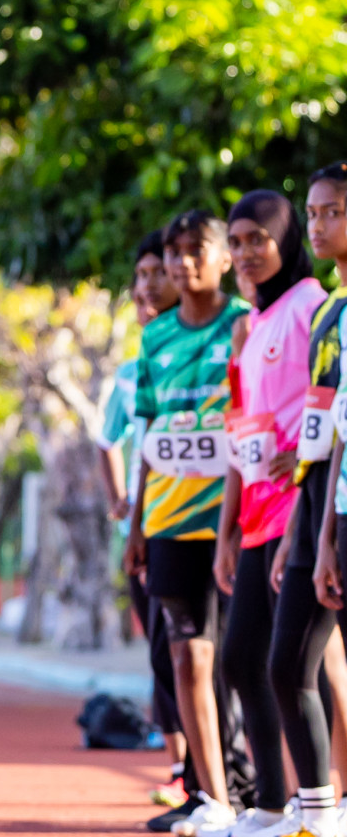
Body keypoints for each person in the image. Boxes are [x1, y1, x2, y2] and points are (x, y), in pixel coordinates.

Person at [126, 209, 252, 836]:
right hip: (169, 521)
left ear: (224, 255)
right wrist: (136, 527)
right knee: (185, 659)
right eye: (172, 253)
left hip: (237, 519)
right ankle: (214, 797)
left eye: (194, 250)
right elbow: (146, 434)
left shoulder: (245, 326)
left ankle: (262, 792)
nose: (181, 263)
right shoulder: (155, 339)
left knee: (241, 660)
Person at [212, 192, 326, 836]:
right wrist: (227, 530)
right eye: (237, 241)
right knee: (240, 660)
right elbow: (241, 432)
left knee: (298, 664)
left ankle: (322, 804)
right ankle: (271, 806)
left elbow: (325, 405)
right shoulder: (250, 326)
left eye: (259, 238)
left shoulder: (310, 304)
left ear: (287, 239)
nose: (246, 253)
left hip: (301, 512)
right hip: (255, 515)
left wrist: (302, 462)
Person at [99, 231, 191, 823]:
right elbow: (109, 442)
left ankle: (218, 779)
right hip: (143, 529)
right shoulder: (132, 372)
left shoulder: (206, 347)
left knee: (199, 650)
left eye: (157, 275)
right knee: (164, 653)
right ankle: (186, 769)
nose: (146, 290)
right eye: (139, 279)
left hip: (198, 525)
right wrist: (120, 505)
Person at [267, 167, 347, 837]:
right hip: (326, 506)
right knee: (286, 663)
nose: (318, 226)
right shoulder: (328, 314)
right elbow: (325, 433)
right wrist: (309, 530)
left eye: (333, 213)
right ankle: (319, 814)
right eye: (313, 213)